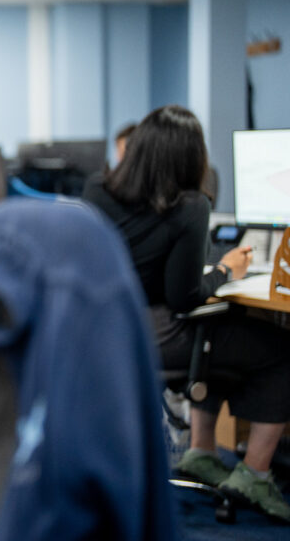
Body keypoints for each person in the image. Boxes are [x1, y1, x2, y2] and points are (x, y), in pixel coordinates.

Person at [82, 105, 290, 523]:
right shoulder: (190, 206)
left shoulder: (97, 189)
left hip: (103, 330)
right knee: (280, 349)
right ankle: (256, 473)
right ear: (190, 157)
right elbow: (185, 297)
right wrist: (227, 270)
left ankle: (202, 451)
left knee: (221, 329)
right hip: (155, 333)